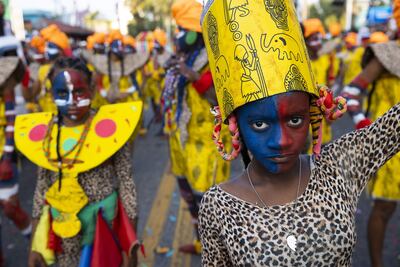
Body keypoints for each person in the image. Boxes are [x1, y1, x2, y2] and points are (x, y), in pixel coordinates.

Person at [198, 0, 399, 266]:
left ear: (312, 115)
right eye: (260, 124)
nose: (281, 141)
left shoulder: (338, 167)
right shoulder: (218, 206)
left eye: (294, 120)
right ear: (236, 125)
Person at [19, 57, 142, 267]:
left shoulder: (112, 129)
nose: (71, 101)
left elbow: (127, 183)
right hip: (63, 232)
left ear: (92, 90)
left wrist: (129, 243)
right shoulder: (46, 134)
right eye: (61, 93)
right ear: (51, 94)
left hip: (104, 229)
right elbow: (41, 189)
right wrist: (35, 246)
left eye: (78, 92)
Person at [162, 0, 231, 254]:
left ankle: (219, 251)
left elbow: (221, 99)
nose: (178, 36)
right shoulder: (185, 56)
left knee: (208, 200)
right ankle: (202, 243)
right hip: (182, 139)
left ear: (195, 33)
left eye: (182, 29)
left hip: (208, 141)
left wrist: (193, 76)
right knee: (189, 194)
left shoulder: (216, 58)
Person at [341, 2, 400, 266]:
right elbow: (350, 94)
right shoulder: (387, 54)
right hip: (389, 151)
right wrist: (365, 124)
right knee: (385, 208)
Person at [0, 56, 32, 267]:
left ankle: (38, 248)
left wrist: (7, 157)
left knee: (12, 209)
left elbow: (11, 120)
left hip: (4, 157)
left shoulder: (4, 79)